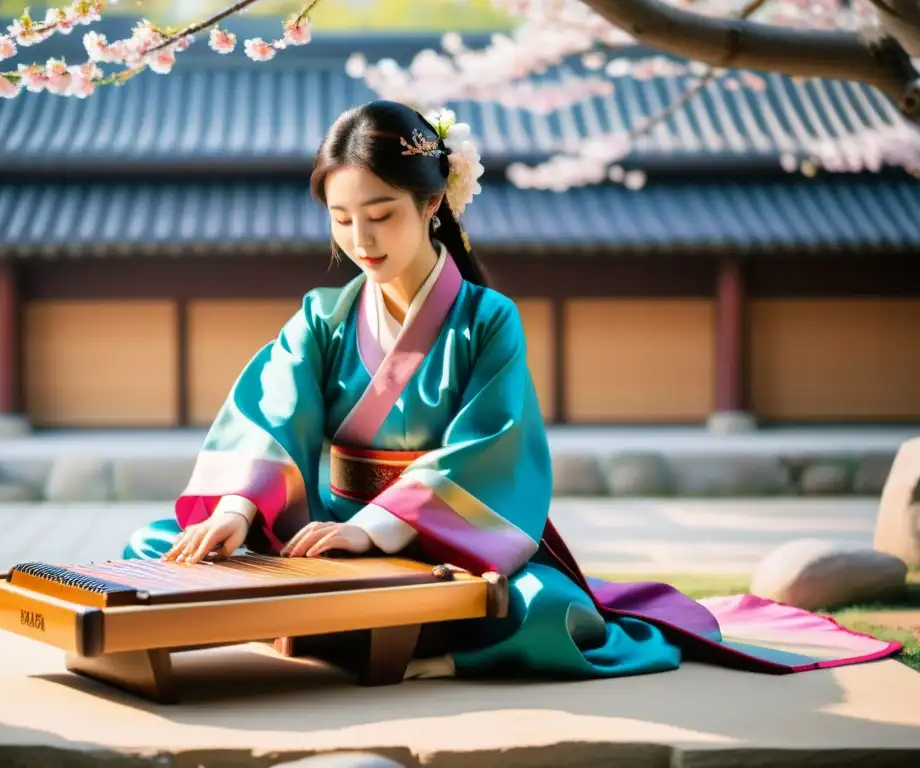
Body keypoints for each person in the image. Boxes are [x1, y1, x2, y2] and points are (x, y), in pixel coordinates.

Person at [123, 100, 901, 680]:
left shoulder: (486, 320)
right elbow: (268, 417)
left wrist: (378, 529)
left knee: (549, 608)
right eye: (342, 219)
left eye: (382, 214)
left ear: (434, 204)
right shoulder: (323, 317)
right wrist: (234, 510)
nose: (361, 240)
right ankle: (349, 630)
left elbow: (493, 448)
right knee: (158, 548)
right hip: (320, 532)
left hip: (437, 543)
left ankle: (339, 638)